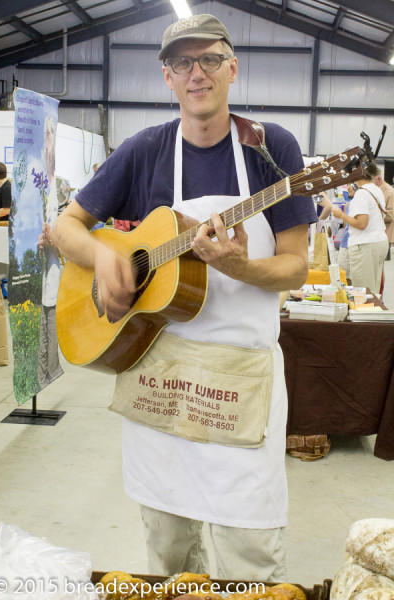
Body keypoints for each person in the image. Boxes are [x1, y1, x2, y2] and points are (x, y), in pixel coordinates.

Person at [52, 14, 317, 581]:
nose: (197, 73)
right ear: (166, 76)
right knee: (168, 554)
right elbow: (64, 228)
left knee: (249, 550)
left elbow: (297, 267)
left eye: (210, 59)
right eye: (182, 62)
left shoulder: (273, 150)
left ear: (233, 68)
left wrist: (243, 267)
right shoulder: (143, 149)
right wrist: (105, 257)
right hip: (158, 379)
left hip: (240, 382)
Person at [330, 163, 388, 294]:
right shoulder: (375, 189)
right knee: (372, 288)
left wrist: (342, 215)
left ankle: (365, 312)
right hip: (377, 241)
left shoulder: (362, 194)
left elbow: (362, 224)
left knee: (362, 292)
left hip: (364, 245)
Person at [37, 116, 63, 387]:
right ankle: (43, 371)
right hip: (41, 264)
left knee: (49, 311)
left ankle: (47, 371)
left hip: (52, 265)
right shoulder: (41, 180)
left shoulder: (51, 181)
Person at [373, 171, 394, 251]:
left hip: (387, 238)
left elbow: (390, 215)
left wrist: (372, 215)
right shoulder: (380, 190)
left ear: (378, 178)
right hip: (382, 237)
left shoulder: (388, 191)